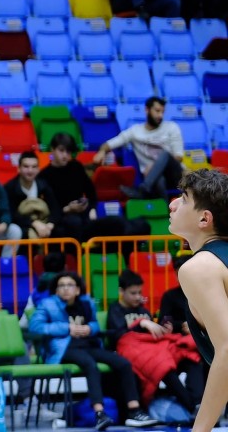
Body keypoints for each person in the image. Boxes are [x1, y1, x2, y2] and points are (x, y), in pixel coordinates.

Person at [29, 271, 158, 429]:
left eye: (69, 285)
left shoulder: (86, 302)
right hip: (63, 348)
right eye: (61, 286)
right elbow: (35, 327)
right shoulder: (47, 304)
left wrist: (89, 329)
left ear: (77, 289)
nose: (65, 289)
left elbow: (95, 324)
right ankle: (99, 414)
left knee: (123, 363)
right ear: (56, 290)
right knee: (90, 365)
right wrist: (67, 328)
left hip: (88, 344)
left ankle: (134, 411)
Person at [167, 169, 228, 432]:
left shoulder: (199, 267)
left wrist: (200, 430)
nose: (173, 204)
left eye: (183, 198)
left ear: (204, 218)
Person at [105, 270, 203, 411]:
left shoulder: (143, 311)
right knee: (162, 366)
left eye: (140, 292)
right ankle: (192, 407)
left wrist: (164, 331)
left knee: (191, 357)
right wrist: (141, 323)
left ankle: (199, 402)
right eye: (133, 293)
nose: (138, 297)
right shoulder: (115, 310)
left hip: (155, 351)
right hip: (135, 354)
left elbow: (152, 338)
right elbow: (119, 338)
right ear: (121, 291)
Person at [94, 96, 184, 200]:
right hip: (154, 178)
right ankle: (164, 212)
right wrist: (102, 150)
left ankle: (143, 189)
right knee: (159, 179)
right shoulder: (135, 131)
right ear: (147, 110)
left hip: (175, 175)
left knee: (165, 154)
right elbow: (113, 142)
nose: (160, 115)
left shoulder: (172, 127)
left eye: (162, 112)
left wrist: (155, 166)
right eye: (157, 111)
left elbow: (178, 157)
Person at [3, 150, 58, 240]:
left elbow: (55, 208)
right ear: (19, 168)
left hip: (44, 223)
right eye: (26, 166)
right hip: (23, 225)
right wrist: (34, 223)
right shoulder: (9, 188)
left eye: (34, 167)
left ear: (38, 169)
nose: (30, 170)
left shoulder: (44, 185)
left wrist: (49, 225)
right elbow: (11, 214)